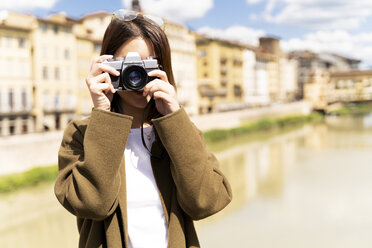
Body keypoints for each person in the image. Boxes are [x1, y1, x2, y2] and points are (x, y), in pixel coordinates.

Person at [54, 9, 232, 248]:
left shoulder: (178, 131)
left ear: (163, 67)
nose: (139, 76)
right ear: (106, 65)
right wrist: (103, 115)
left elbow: (207, 202)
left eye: (149, 64)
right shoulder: (81, 134)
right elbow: (92, 204)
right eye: (129, 65)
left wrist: (174, 117)